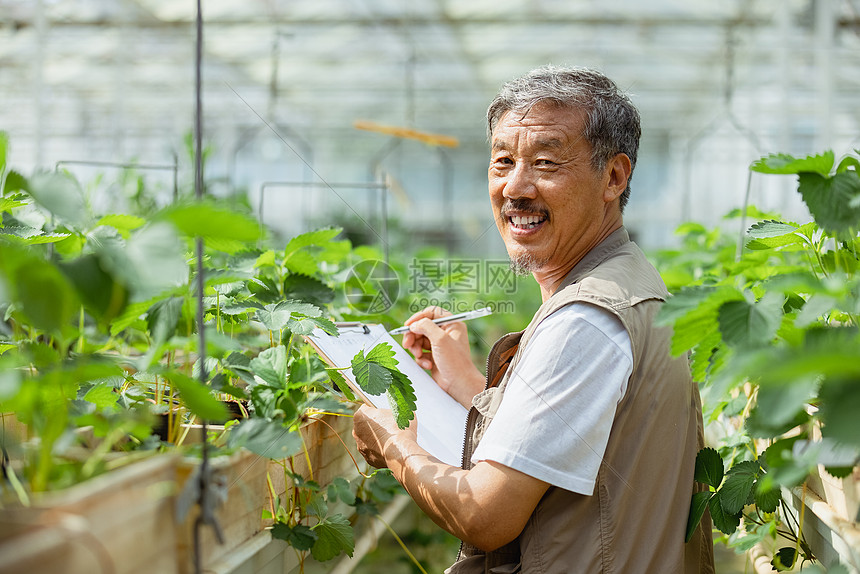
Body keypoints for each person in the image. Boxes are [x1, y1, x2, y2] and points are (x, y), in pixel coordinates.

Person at [352, 65, 714, 574]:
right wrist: (468, 386)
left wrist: (393, 442)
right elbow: (571, 439)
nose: (516, 187)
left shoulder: (586, 320)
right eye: (502, 161)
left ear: (614, 176)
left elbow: (485, 514)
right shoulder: (630, 285)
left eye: (545, 162)